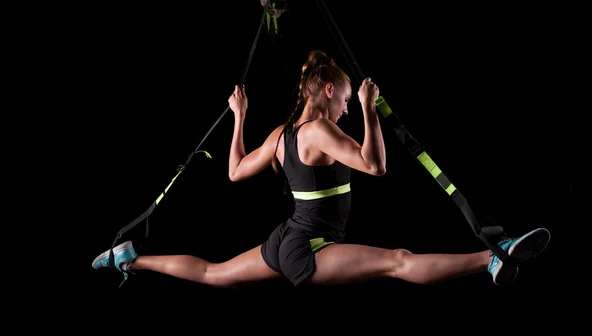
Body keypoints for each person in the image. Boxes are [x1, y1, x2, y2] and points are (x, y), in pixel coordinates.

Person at [92, 50, 550, 288]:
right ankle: (493, 256)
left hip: (290, 237)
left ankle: (132, 258)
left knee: (213, 274)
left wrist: (240, 118)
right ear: (328, 90)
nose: (348, 109)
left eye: (353, 104)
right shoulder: (318, 131)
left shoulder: (283, 133)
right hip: (308, 247)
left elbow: (233, 171)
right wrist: (372, 109)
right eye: (346, 101)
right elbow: (375, 165)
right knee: (397, 262)